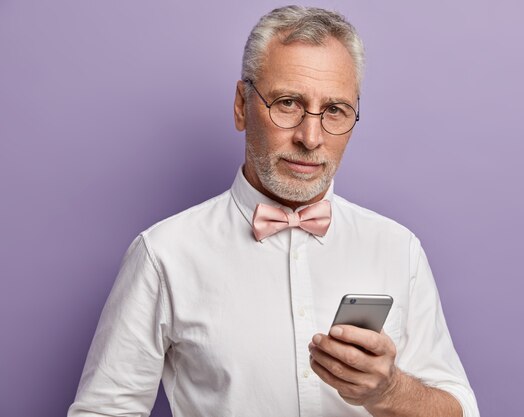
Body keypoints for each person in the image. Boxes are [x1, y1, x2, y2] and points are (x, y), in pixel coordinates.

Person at [68, 6, 479, 417]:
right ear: (242, 105)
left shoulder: (398, 249)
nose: (310, 137)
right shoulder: (163, 255)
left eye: (335, 110)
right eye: (287, 103)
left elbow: (461, 410)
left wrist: (388, 392)